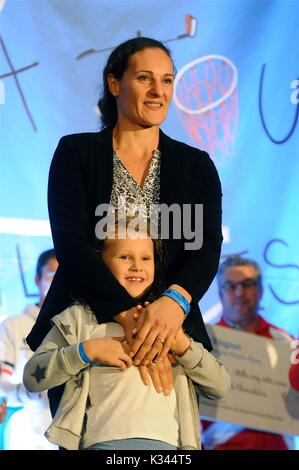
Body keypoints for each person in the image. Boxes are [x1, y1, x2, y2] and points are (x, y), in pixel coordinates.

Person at [26, 37, 223, 418]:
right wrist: (128, 315)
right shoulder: (76, 153)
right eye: (145, 78)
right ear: (115, 84)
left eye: (167, 80)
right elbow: (71, 244)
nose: (158, 91)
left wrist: (172, 304)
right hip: (88, 326)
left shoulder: (196, 165)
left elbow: (205, 248)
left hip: (168, 334)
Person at [23, 224, 230, 450]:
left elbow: (220, 386)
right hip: (101, 445)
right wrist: (86, 351)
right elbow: (33, 377)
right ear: (100, 263)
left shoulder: (174, 322)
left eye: (146, 258)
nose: (137, 267)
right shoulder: (78, 319)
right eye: (124, 256)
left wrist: (182, 345)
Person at [201, 256, 298, 450]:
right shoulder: (203, 343)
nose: (239, 293)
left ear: (260, 290)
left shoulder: (285, 341)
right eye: (230, 286)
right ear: (220, 293)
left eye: (248, 284)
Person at [0, 249, 58, 450]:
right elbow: (1, 383)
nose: (58, 283)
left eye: (64, 277)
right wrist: (31, 392)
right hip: (26, 435)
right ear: (37, 279)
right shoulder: (13, 325)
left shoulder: (80, 326)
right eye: (51, 276)